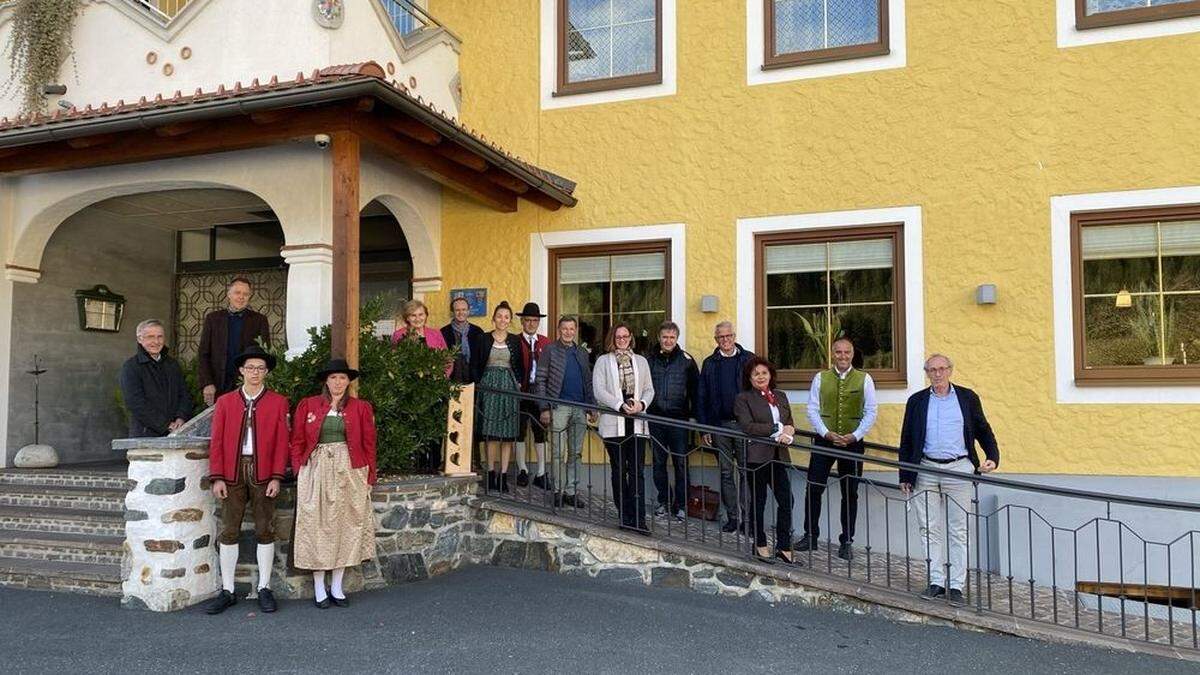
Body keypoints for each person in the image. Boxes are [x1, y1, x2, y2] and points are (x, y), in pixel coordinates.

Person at [898, 354, 1000, 607]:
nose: (938, 374)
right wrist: (905, 475)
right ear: (927, 373)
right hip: (926, 468)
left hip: (959, 468)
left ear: (950, 370)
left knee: (959, 530)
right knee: (928, 528)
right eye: (932, 370)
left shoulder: (967, 398)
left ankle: (956, 585)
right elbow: (907, 440)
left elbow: (983, 429)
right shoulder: (917, 401)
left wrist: (993, 457)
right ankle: (936, 582)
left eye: (942, 369)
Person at [204, 345, 290, 615]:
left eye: (260, 368)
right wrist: (217, 476)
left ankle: (264, 587)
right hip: (231, 471)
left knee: (265, 528)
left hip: (264, 472)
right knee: (230, 529)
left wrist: (277, 476)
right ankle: (227, 590)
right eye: (250, 368)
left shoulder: (278, 401)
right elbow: (216, 441)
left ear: (266, 373)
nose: (255, 372)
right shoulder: (226, 402)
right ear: (241, 371)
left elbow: (281, 442)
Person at [290, 359, 378, 609]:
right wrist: (299, 470)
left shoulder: (361, 407)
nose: (338, 382)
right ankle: (319, 586)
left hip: (350, 470)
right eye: (333, 378)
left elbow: (369, 444)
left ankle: (337, 586)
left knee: (345, 525)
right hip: (316, 469)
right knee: (316, 525)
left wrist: (369, 476)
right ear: (326, 382)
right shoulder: (308, 405)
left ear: (348, 381)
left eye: (342, 378)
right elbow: (296, 440)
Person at [798, 337, 878, 561]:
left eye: (847, 352)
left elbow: (871, 411)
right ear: (832, 354)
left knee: (850, 492)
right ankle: (810, 535)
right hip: (825, 440)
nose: (842, 356)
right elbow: (813, 408)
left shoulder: (865, 379)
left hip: (852, 443)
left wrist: (855, 435)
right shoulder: (820, 377)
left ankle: (847, 541)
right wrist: (825, 433)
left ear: (853, 354)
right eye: (838, 352)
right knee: (813, 487)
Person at [733, 357, 796, 565]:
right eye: (756, 374)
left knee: (786, 500)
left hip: (779, 455)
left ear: (770, 375)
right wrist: (776, 429)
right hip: (757, 456)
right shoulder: (744, 398)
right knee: (758, 502)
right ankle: (759, 544)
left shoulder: (780, 395)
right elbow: (748, 426)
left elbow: (789, 421)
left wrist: (788, 430)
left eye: (764, 373)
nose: (761, 377)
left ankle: (784, 547)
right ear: (750, 378)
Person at [593, 323, 655, 534]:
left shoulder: (641, 361)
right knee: (619, 470)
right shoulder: (603, 361)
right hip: (614, 422)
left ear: (631, 337)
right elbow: (599, 391)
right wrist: (620, 405)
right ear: (613, 338)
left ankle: (639, 519)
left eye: (625, 336)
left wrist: (641, 405)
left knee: (637, 471)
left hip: (636, 421)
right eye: (618, 336)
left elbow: (649, 389)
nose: (622, 339)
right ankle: (625, 515)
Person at [696, 321, 755, 533]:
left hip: (744, 427)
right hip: (720, 426)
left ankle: (748, 520)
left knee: (746, 473)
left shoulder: (748, 359)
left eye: (729, 336)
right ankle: (732, 517)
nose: (726, 340)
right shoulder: (710, 363)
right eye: (721, 337)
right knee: (726, 473)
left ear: (734, 336)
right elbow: (701, 398)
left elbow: (758, 392)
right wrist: (704, 429)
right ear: (716, 340)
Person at [534, 316, 594, 508]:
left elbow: (588, 382)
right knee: (558, 452)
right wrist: (544, 407)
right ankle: (558, 491)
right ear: (559, 330)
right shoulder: (550, 350)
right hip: (557, 407)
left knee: (575, 453)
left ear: (575, 330)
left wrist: (591, 406)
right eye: (564, 329)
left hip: (579, 408)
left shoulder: (582, 353)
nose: (568, 332)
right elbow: (540, 380)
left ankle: (571, 492)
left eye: (571, 329)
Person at [469, 301, 525, 493]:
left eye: (506, 317)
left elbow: (520, 366)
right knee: (491, 433)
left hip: (508, 387)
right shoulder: (483, 338)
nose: (503, 319)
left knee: (507, 435)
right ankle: (491, 474)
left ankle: (503, 476)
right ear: (494, 319)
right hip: (489, 386)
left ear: (510, 321)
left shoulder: (515, 340)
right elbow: (475, 364)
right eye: (499, 316)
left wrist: (518, 382)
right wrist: (479, 384)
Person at [645, 321, 698, 522]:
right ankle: (663, 501)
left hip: (680, 420)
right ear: (659, 338)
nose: (668, 341)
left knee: (680, 463)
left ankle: (681, 505)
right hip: (655, 417)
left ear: (677, 338)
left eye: (672, 337)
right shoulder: (649, 359)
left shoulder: (686, 360)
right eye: (665, 337)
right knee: (659, 462)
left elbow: (695, 390)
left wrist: (694, 415)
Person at [392, 298, 450, 471]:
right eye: (413, 315)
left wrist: (441, 377)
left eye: (421, 314)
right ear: (407, 318)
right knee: (414, 426)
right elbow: (395, 362)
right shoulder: (399, 335)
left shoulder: (436, 334)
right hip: (411, 389)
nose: (418, 318)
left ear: (426, 315)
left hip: (434, 388)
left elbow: (448, 360)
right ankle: (416, 464)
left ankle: (433, 464)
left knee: (435, 426)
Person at [198, 277, 272, 407]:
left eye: (245, 294)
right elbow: (203, 353)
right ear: (229, 294)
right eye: (237, 293)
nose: (241, 297)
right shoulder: (213, 319)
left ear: (249, 297)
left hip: (247, 384)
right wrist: (207, 383)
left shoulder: (259, 320)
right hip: (218, 383)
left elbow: (264, 354)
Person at [119, 319, 192, 437]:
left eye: (160, 337)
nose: (156, 341)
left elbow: (184, 394)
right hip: (144, 435)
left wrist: (181, 417)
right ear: (139, 339)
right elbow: (135, 403)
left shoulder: (172, 365)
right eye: (150, 337)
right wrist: (165, 424)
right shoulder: (131, 367)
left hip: (176, 433)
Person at [514, 302, 551, 488]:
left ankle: (542, 472)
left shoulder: (546, 342)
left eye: (534, 320)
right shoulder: (514, 341)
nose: (531, 324)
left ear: (538, 322)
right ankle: (522, 469)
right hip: (521, 392)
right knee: (519, 431)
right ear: (522, 321)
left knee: (540, 432)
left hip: (540, 393)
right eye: (527, 320)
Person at [441, 296, 483, 385]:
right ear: (452, 312)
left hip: (473, 380)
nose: (461, 312)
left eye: (464, 309)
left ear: (468, 311)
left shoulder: (478, 331)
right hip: (450, 381)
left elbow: (481, 358)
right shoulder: (443, 332)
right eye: (457, 310)